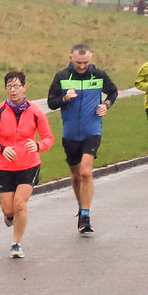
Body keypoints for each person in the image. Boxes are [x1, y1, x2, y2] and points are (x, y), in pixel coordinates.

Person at [0, 70, 53, 259]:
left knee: (20, 204)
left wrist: (37, 145)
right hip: (5, 167)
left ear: (24, 87)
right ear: (5, 88)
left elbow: (48, 138)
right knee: (9, 209)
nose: (13, 90)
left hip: (29, 164)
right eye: (9, 87)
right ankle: (10, 216)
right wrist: (1, 149)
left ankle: (16, 243)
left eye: (17, 86)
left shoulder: (36, 111)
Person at [48, 44, 118, 236]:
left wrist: (106, 104)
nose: (81, 66)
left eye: (85, 62)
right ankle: (81, 206)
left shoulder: (99, 75)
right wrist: (64, 99)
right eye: (78, 62)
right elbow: (50, 102)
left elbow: (113, 92)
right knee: (76, 175)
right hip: (70, 134)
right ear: (71, 58)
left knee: (86, 172)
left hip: (92, 130)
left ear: (91, 58)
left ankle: (85, 215)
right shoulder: (62, 77)